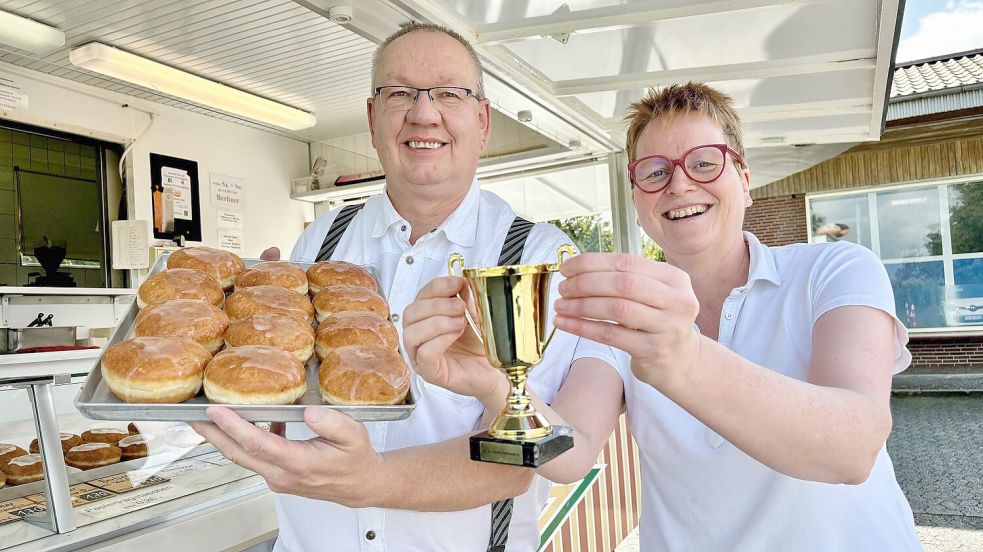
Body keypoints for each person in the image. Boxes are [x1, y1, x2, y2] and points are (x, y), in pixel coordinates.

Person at [404, 82, 923, 550]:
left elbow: (852, 449)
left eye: (704, 163)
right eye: (654, 172)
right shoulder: (621, 319)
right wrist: (492, 383)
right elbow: (570, 455)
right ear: (636, 199)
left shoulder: (834, 269)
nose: (678, 185)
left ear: (743, 177)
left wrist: (684, 357)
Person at [191, 22, 605, 552]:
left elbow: (522, 459)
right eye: (400, 93)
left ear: (482, 119)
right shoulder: (318, 241)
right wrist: (246, 343)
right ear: (372, 117)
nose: (423, 113)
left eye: (449, 93)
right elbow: (291, 409)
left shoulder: (536, 260)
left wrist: (372, 479)